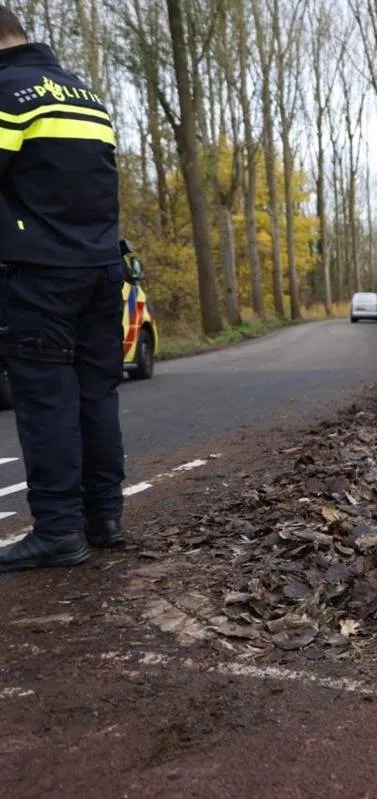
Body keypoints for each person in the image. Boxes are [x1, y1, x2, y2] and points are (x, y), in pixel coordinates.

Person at [0, 7, 126, 572]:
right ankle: (103, 517)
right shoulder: (83, 94)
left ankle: (56, 530)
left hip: (39, 274)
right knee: (95, 394)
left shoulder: (7, 91)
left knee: (47, 397)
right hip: (101, 266)